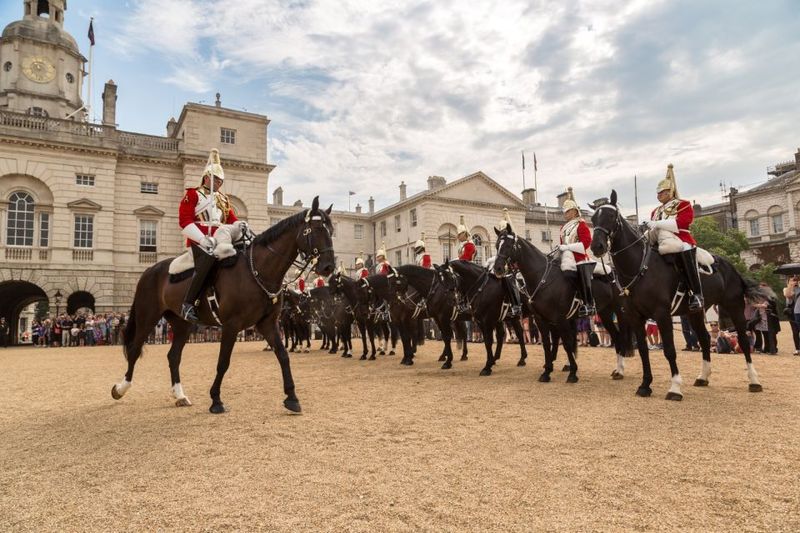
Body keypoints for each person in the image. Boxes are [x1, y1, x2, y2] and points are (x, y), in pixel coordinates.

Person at [178, 148, 245, 323]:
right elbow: (184, 221)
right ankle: (188, 304)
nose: (218, 185)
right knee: (207, 261)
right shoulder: (193, 194)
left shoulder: (223, 200)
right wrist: (201, 239)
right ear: (207, 177)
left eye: (221, 182)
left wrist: (240, 225)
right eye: (216, 180)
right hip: (199, 241)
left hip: (221, 240)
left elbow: (231, 219)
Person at [646, 164, 703, 312]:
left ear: (670, 191)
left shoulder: (683, 204)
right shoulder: (655, 210)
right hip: (659, 241)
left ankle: (696, 293)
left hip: (681, 238)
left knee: (685, 249)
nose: (659, 195)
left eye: (662, 192)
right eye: (658, 193)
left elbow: (683, 223)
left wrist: (657, 223)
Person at [558, 188, 596, 317]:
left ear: (575, 211)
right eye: (565, 212)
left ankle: (587, 303)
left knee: (582, 271)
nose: (565, 214)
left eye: (568, 211)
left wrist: (567, 247)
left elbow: (586, 243)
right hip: (565, 258)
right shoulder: (563, 228)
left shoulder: (581, 225)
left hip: (579, 257)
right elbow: (562, 243)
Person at [494, 209, 522, 318]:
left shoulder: (513, 238)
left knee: (511, 281)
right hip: (506, 267)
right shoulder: (502, 240)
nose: (503, 232)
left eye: (505, 229)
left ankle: (517, 305)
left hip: (517, 268)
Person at [783, 275, 800, 355]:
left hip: (798, 311)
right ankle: (797, 348)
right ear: (788, 281)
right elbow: (788, 295)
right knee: (795, 331)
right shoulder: (786, 289)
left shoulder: (798, 288)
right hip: (791, 312)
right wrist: (791, 286)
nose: (795, 281)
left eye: (796, 280)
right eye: (793, 280)